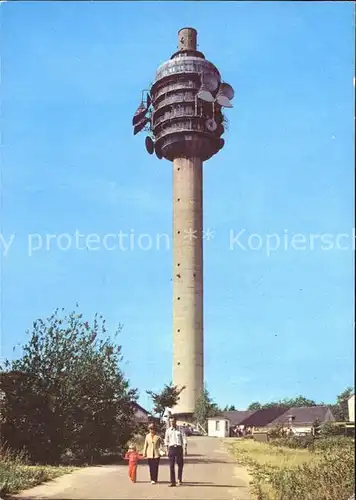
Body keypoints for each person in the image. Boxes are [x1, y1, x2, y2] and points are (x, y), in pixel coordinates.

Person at [165, 415, 185, 487]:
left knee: (180, 465)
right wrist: (167, 450)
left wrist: (185, 448)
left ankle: (179, 479)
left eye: (173, 421)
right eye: (171, 422)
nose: (172, 423)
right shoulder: (168, 431)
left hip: (179, 448)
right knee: (171, 466)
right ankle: (172, 482)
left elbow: (184, 439)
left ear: (176, 421)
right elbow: (166, 441)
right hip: (171, 448)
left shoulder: (180, 429)